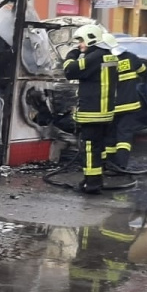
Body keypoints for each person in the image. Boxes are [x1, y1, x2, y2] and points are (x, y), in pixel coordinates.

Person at [62, 24, 118, 194]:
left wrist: (72, 54)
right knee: (98, 149)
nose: (80, 45)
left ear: (91, 38)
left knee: (90, 148)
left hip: (92, 112)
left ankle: (92, 184)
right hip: (104, 111)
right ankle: (95, 180)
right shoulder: (108, 56)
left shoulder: (95, 57)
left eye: (81, 41)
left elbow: (70, 71)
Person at [102, 33, 147, 169]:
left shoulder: (105, 61)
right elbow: (144, 72)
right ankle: (121, 165)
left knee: (109, 136)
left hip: (111, 106)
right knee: (124, 136)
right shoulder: (131, 57)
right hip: (129, 105)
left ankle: (108, 164)